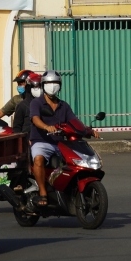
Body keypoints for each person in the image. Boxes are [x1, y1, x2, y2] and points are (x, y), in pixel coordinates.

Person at [28, 70, 94, 209]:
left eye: (56, 83)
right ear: (43, 85)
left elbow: (74, 121)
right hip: (41, 141)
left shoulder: (64, 105)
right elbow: (35, 119)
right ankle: (43, 192)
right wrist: (46, 127)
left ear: (60, 86)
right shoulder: (36, 103)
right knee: (38, 160)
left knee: (75, 162)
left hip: (60, 143)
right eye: (49, 83)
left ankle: (67, 190)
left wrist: (88, 130)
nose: (52, 86)